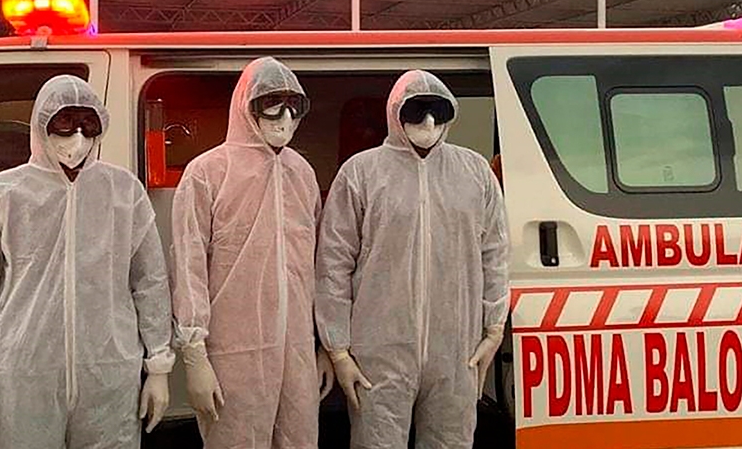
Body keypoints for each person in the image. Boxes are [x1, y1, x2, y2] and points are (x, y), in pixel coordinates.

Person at [0, 74, 174, 449]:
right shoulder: (4, 193)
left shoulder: (122, 190)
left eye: (88, 125)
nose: (78, 138)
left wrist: (159, 367)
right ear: (42, 125)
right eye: (65, 124)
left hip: (109, 373)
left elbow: (149, 280)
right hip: (24, 374)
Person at [316, 69, 509, 449]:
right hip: (378, 352)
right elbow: (333, 264)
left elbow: (495, 253)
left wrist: (494, 329)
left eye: (438, 113)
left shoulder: (474, 173)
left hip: (457, 350)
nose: (428, 123)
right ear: (395, 112)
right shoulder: (361, 173)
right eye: (417, 111)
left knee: (451, 442)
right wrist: (337, 348)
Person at [170, 57, 333, 449]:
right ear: (246, 107)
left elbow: (318, 268)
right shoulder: (208, 172)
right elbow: (188, 268)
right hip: (232, 356)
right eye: (271, 105)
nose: (284, 118)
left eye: (295, 107)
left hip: (296, 353)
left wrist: (325, 346)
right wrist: (195, 360)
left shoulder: (302, 173)